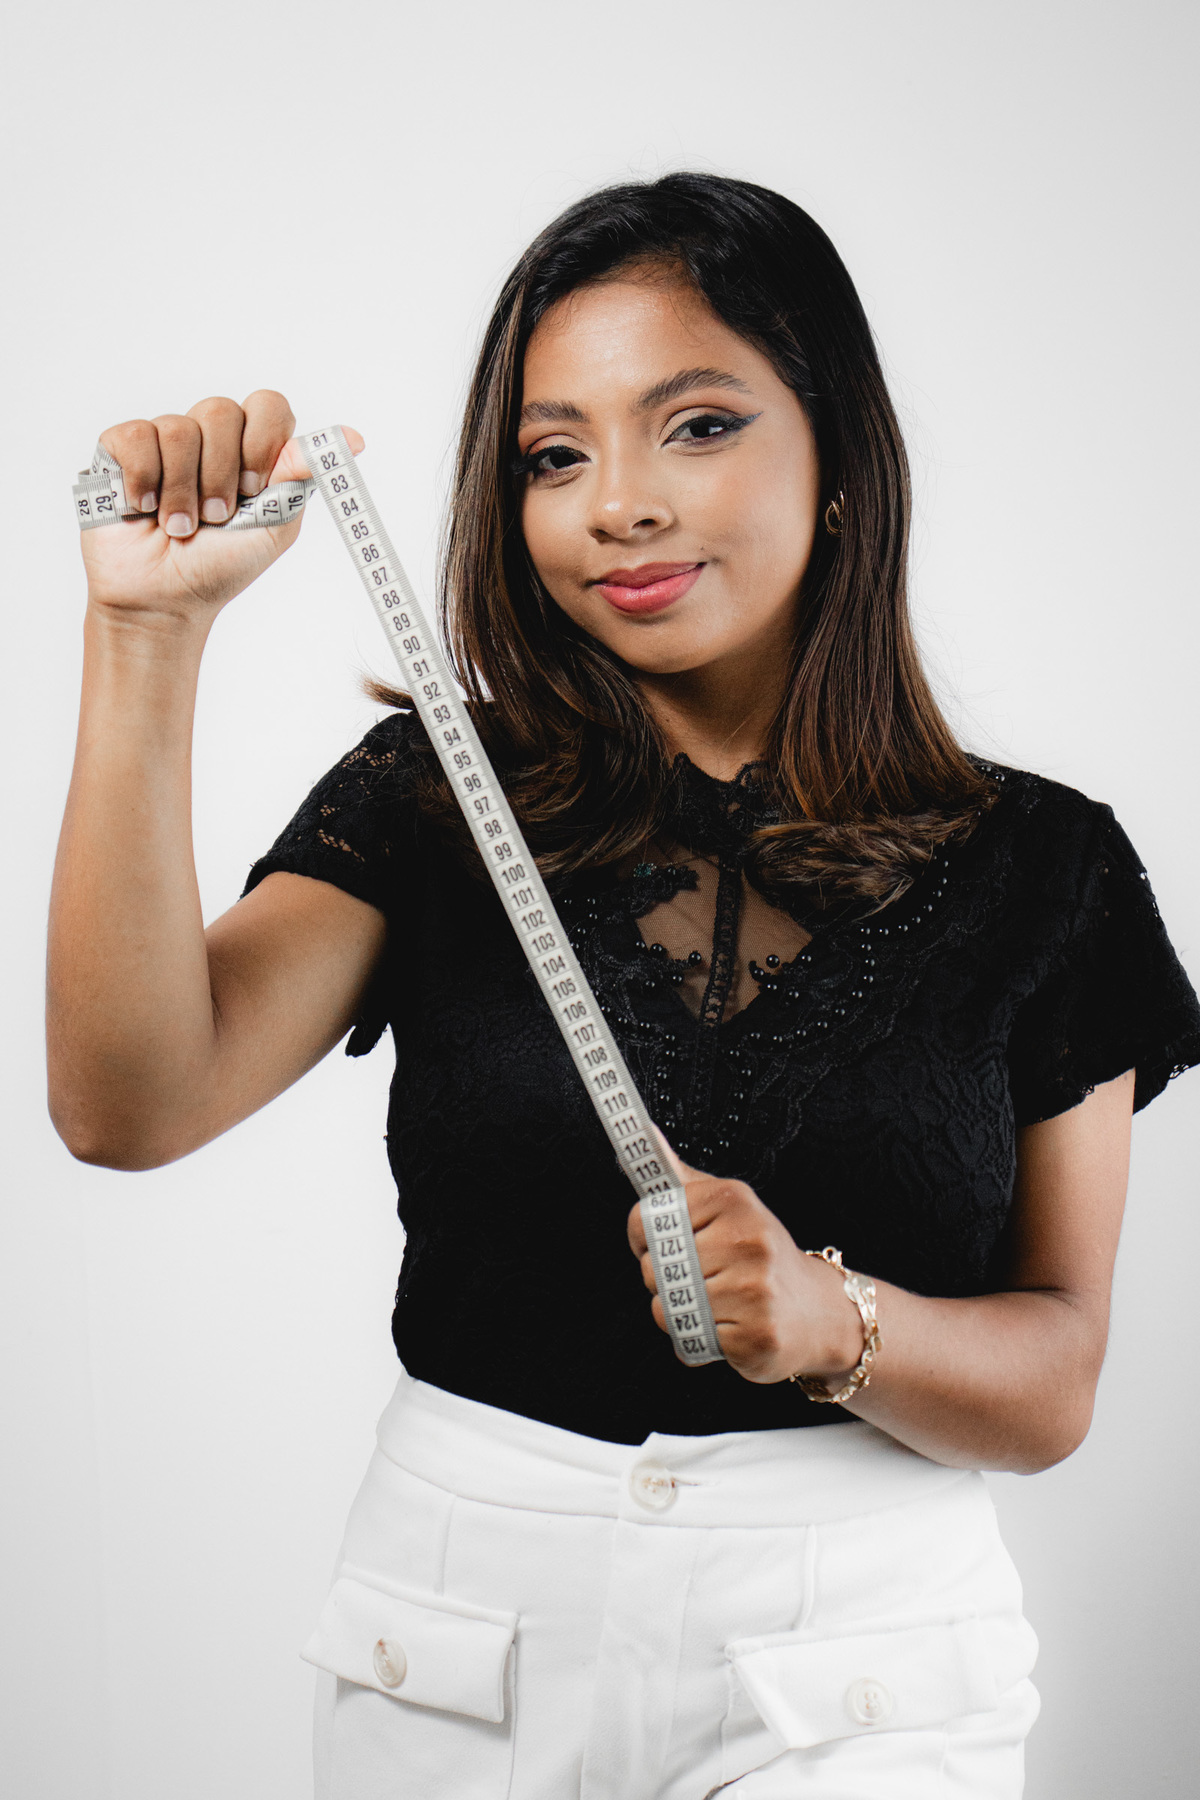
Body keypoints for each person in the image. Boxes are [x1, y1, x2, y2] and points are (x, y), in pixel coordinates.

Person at [47, 173, 1200, 1799]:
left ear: (842, 455)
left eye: (698, 426)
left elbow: (1055, 1380)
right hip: (459, 1648)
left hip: (860, 1667)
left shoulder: (1049, 868)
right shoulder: (431, 799)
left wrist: (839, 1324)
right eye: (555, 455)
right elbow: (128, 1105)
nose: (620, 506)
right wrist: (143, 635)